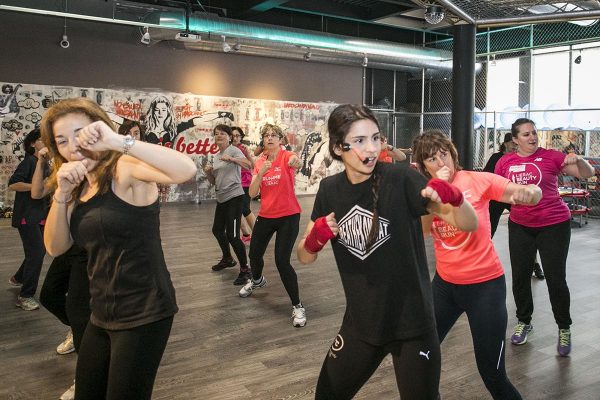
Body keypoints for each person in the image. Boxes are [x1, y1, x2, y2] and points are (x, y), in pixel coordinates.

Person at [297, 104, 478, 399]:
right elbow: (303, 257)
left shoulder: (401, 178)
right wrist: (315, 238)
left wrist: (455, 199)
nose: (370, 148)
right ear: (337, 147)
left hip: (413, 325)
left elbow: (468, 223)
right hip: (361, 324)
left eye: (375, 138)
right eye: (359, 141)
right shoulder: (330, 189)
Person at [41, 97, 197, 399]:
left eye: (80, 133)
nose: (72, 145)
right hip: (100, 311)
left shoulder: (124, 169)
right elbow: (56, 247)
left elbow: (185, 170)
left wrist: (118, 141)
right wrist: (62, 193)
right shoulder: (76, 185)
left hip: (144, 311)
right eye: (61, 140)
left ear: (99, 129)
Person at [413, 129, 542, 400]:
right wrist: (433, 197)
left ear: (452, 153)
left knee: (492, 375)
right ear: (423, 165)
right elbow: (423, 230)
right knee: (418, 355)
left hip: (485, 288)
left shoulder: (475, 180)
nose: (440, 163)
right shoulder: (425, 192)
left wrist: (530, 192)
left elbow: (518, 191)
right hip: (445, 287)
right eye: (431, 159)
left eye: (443, 154)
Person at [495, 118, 595, 357]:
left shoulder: (550, 156)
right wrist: (514, 200)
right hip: (520, 226)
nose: (532, 137)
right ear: (515, 139)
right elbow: (498, 191)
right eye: (526, 134)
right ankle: (524, 321)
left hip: (554, 225)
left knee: (555, 279)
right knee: (520, 277)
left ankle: (564, 327)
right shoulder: (505, 162)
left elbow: (588, 174)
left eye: (534, 133)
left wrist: (579, 160)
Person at [238, 123, 306, 327]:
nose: (270, 138)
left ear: (281, 139)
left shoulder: (287, 156)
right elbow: (251, 194)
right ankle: (257, 281)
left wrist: (296, 162)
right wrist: (260, 173)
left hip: (289, 216)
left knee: (281, 261)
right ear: (263, 140)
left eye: (274, 135)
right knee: (254, 255)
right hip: (266, 216)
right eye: (266, 135)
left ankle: (298, 306)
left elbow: (297, 162)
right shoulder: (260, 161)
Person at [484, 133, 545, 280]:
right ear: (505, 144)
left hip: (514, 196)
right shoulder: (496, 158)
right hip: (497, 197)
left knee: (527, 225)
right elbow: (486, 177)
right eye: (512, 143)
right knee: (488, 229)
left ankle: (534, 263)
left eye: (516, 143)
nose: (514, 146)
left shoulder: (518, 158)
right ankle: (483, 261)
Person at [203, 124, 252, 285]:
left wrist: (232, 159)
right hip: (222, 198)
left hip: (235, 197)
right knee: (217, 230)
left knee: (232, 235)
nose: (219, 136)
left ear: (229, 137)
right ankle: (228, 258)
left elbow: (248, 165)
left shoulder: (233, 150)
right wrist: (209, 172)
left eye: (222, 133)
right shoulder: (217, 156)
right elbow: (214, 181)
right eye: (216, 134)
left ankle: (246, 270)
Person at [8, 128, 49, 311]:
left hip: (40, 215)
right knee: (37, 253)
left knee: (37, 251)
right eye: (41, 140)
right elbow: (13, 184)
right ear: (32, 143)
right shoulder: (29, 161)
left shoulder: (43, 163)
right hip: (27, 216)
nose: (45, 143)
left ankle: (18, 278)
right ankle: (25, 296)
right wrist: (36, 186)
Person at [231, 126, 256, 244]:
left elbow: (252, 165)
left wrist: (248, 154)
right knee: (236, 211)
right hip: (233, 184)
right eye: (233, 135)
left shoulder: (243, 149)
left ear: (241, 137)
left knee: (245, 208)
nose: (235, 138)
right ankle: (246, 234)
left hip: (245, 183)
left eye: (237, 136)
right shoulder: (228, 149)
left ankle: (258, 234)